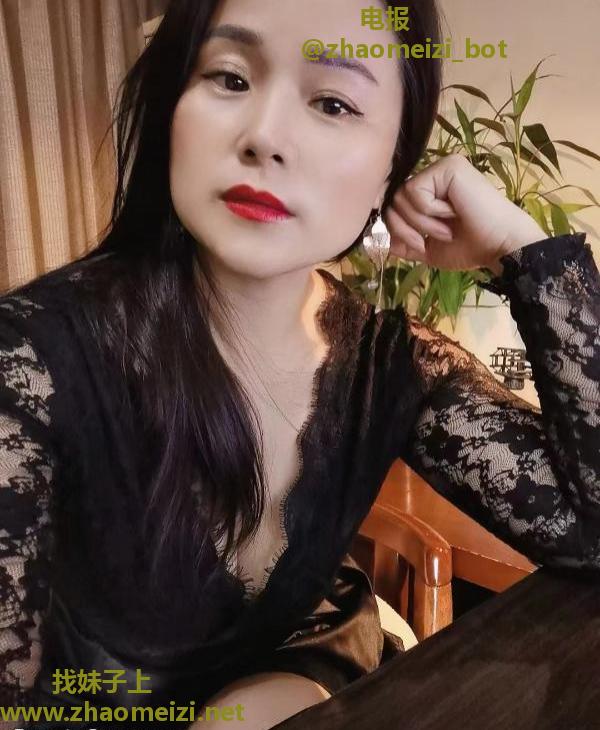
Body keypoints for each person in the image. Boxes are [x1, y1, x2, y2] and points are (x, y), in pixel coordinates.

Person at [0, 0, 598, 728]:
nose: (264, 136)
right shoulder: (30, 360)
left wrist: (521, 247)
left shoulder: (388, 363)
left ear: (390, 170)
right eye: (229, 78)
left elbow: (591, 529)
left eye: (333, 103)